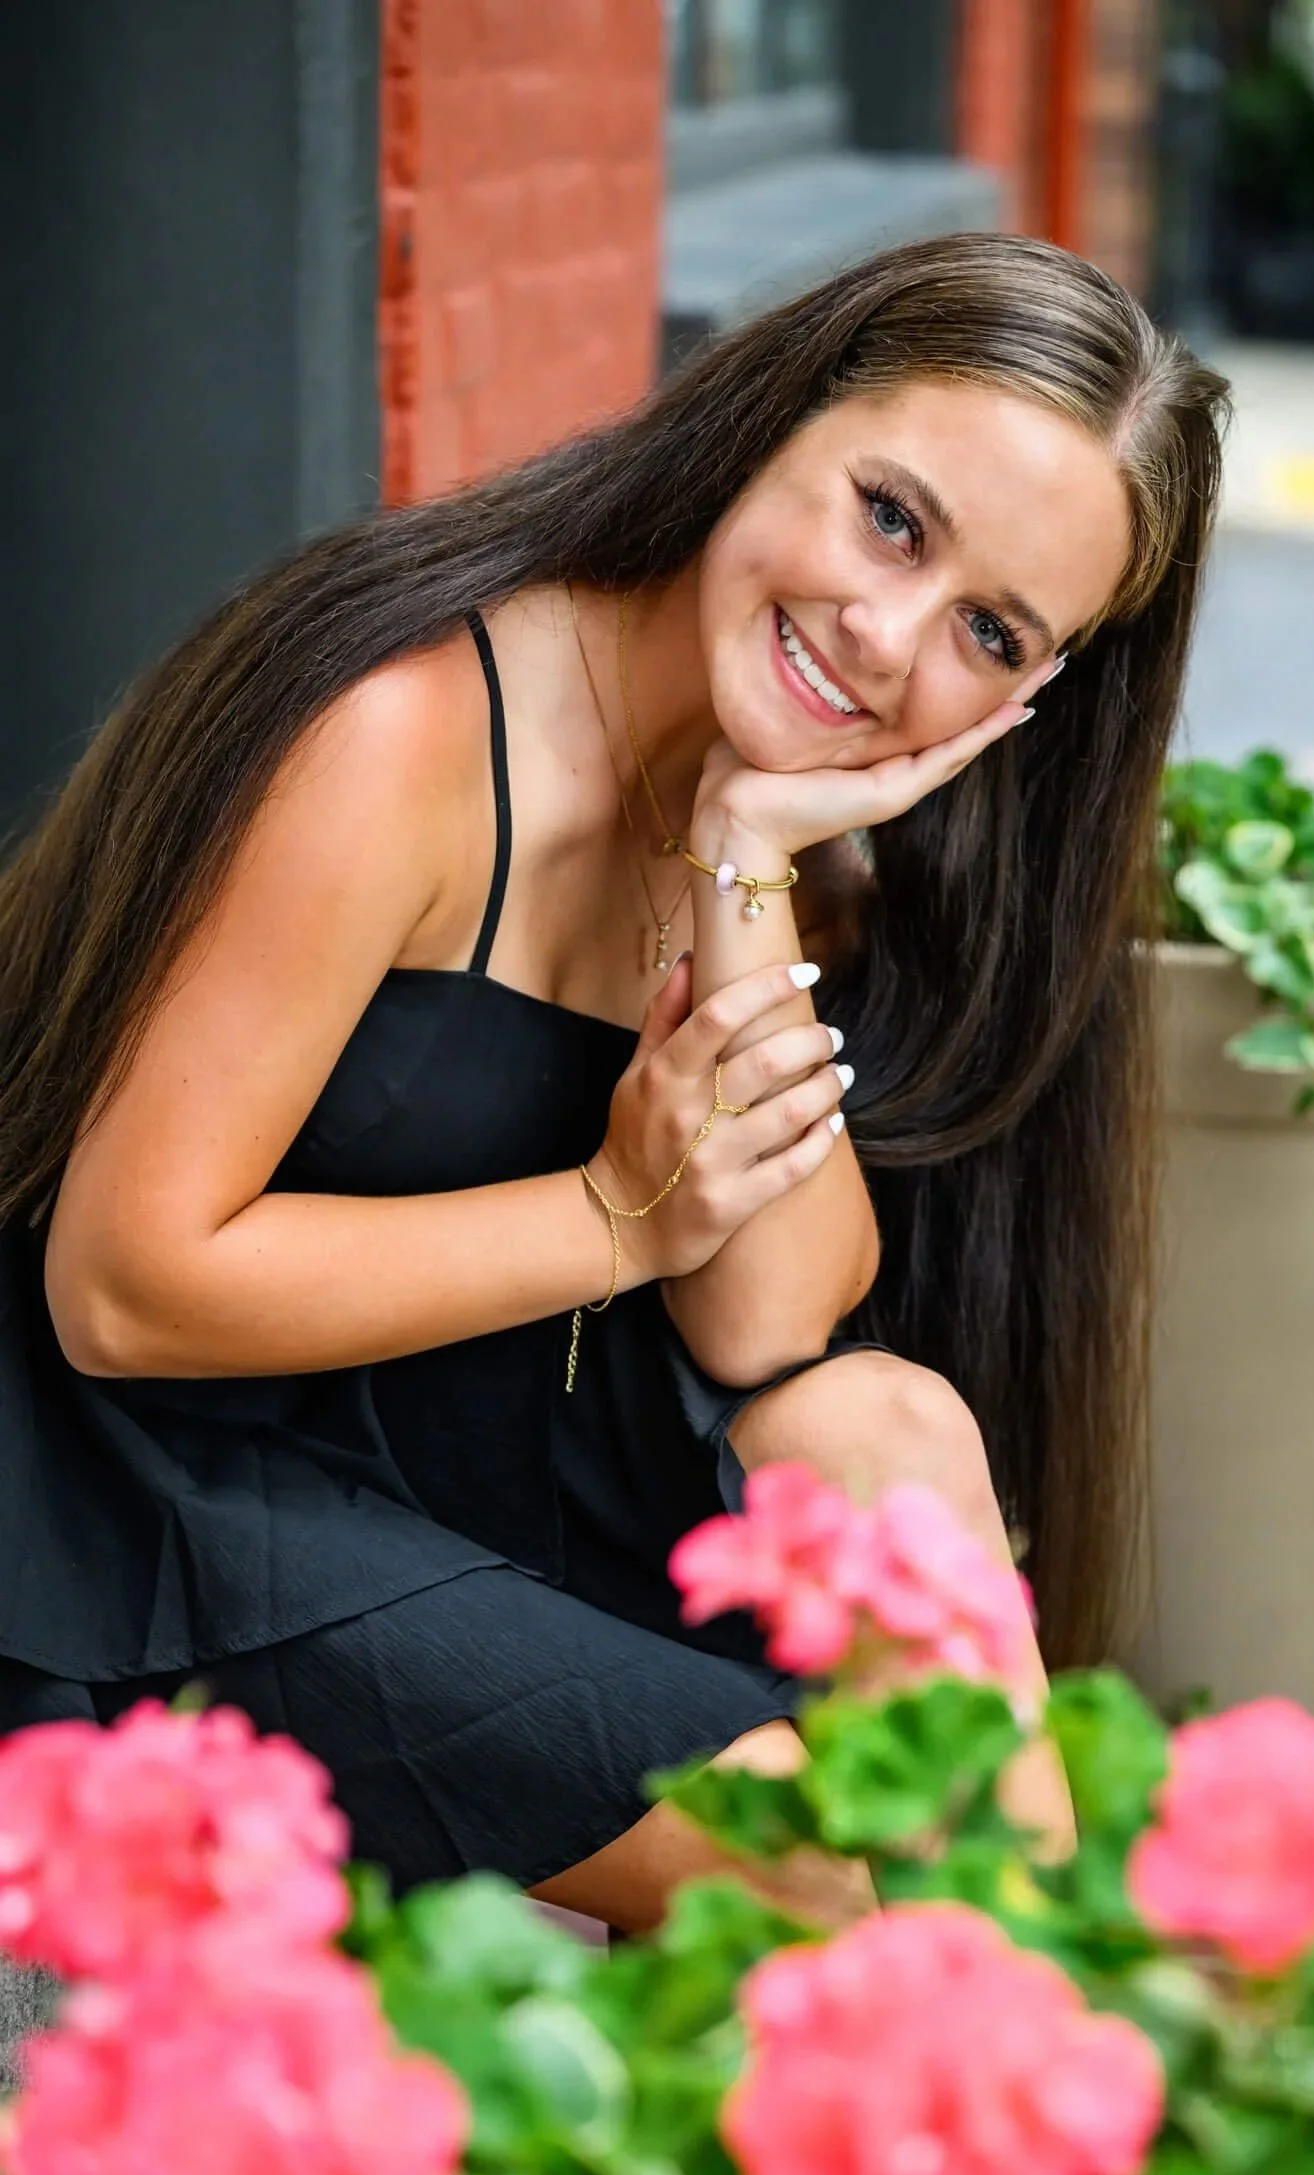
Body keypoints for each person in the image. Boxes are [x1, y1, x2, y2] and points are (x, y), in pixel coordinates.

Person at [0, 235, 1228, 1932]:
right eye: (891, 514)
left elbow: (772, 1326)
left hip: (457, 1458)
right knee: (831, 1861)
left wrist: (742, 863)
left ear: (1027, 702)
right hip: (160, 1505)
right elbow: (120, 1291)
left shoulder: (770, 816)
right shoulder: (402, 733)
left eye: (987, 628)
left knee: (891, 1425)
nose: (884, 638)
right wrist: (606, 1216)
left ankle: (1071, 2065)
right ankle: (1047, 2086)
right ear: (774, 420)